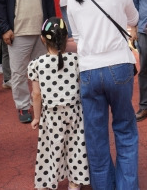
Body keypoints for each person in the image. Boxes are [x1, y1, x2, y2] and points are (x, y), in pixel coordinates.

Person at [67, 0, 139, 189]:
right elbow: (133, 20)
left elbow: (76, 39)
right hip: (119, 66)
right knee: (125, 130)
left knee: (95, 136)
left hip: (88, 70)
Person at [28, 17, 89, 190]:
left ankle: (48, 182)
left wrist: (36, 117)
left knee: (52, 148)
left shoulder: (37, 64)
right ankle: (75, 183)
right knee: (76, 145)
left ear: (42, 39)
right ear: (65, 38)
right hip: (74, 111)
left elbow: (37, 94)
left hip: (52, 114)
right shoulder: (75, 60)